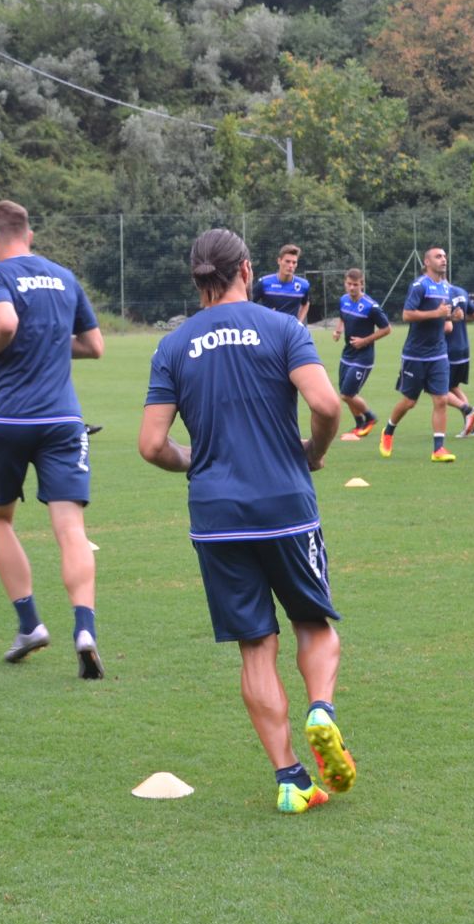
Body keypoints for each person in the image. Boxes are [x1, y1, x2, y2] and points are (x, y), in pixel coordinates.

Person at [138, 228, 352, 815]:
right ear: (247, 270)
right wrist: (314, 449)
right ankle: (321, 710)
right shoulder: (284, 328)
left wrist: (193, 462)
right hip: (285, 505)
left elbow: (152, 445)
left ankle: (289, 779)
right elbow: (327, 406)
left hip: (217, 516)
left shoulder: (174, 345)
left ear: (197, 278)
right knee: (315, 622)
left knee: (257, 648)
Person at [0, 200, 105, 676]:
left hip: (10, 419)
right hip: (64, 419)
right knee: (71, 530)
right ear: (30, 234)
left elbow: (4, 323)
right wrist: (48, 340)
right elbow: (94, 345)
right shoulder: (65, 277)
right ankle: (84, 628)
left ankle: (30, 624)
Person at [380, 258, 455, 461]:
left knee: (441, 399)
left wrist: (450, 317)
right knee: (409, 402)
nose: (444, 259)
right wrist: (436, 313)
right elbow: (406, 315)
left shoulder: (447, 288)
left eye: (445, 256)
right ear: (427, 261)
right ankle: (388, 431)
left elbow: (446, 321)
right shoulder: (419, 285)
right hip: (415, 354)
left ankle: (438, 449)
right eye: (438, 256)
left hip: (439, 353)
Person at [332, 268, 391, 441]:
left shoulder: (371, 306)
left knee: (346, 394)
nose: (352, 288)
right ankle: (359, 423)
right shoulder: (343, 300)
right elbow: (342, 317)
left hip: (363, 358)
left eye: (355, 285)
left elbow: (387, 329)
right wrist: (338, 330)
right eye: (349, 284)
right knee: (347, 394)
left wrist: (365, 340)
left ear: (362, 285)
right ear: (345, 283)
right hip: (347, 354)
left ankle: (370, 417)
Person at [436, 251, 474, 437]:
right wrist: (460, 320)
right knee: (453, 387)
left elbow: (447, 327)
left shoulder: (441, 295)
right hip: (464, 348)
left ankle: (468, 410)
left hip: (448, 350)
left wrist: (430, 327)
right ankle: (471, 425)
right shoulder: (461, 291)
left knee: (437, 388)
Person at [255, 244, 310, 323]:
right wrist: (262, 316)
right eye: (287, 261)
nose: (291, 265)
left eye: (294, 262)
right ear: (279, 261)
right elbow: (248, 303)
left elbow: (306, 304)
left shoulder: (303, 286)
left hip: (290, 332)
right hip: (270, 330)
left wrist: (299, 323)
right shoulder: (264, 283)